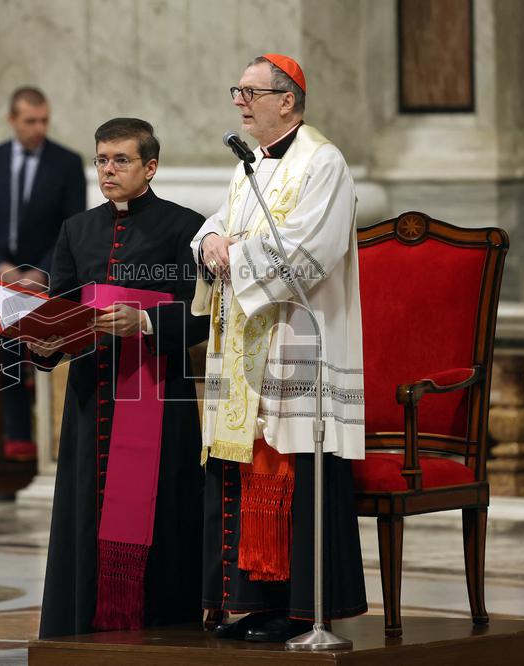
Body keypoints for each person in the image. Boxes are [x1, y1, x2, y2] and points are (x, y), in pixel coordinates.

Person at [190, 54, 367, 642]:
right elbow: (222, 222)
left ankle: (303, 609)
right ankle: (259, 604)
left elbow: (311, 252)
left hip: (299, 341)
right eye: (236, 90)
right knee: (251, 469)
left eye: (248, 91)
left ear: (286, 100)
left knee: (298, 467)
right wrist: (211, 238)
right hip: (248, 346)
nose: (238, 101)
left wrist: (234, 254)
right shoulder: (251, 165)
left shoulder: (324, 163)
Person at [29, 118, 209, 638]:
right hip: (93, 403)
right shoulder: (77, 230)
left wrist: (147, 320)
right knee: (85, 517)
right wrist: (44, 345)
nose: (108, 170)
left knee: (162, 518)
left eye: (121, 160)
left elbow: (203, 314)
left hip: (158, 399)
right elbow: (60, 313)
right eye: (102, 160)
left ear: (150, 167)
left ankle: (163, 629)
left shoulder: (185, 228)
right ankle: (83, 628)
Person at [0, 86, 86, 460]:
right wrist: (0, 267)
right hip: (0, 277)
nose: (38, 128)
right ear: (12, 120)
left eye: (44, 120)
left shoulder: (66, 163)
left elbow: (73, 224)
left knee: (31, 351)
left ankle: (34, 439)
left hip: (44, 280)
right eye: (30, 121)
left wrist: (42, 271)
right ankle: (3, 439)